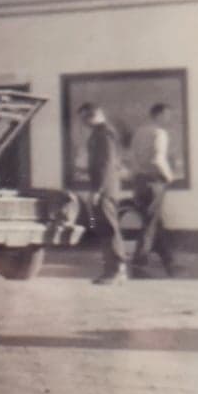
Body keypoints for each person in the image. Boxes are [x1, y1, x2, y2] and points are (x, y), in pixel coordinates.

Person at [129, 102, 179, 276]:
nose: (168, 119)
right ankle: (138, 263)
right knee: (150, 224)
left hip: (139, 181)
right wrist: (169, 176)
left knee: (154, 221)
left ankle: (169, 262)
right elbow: (158, 159)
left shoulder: (139, 132)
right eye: (167, 115)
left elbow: (132, 158)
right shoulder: (159, 133)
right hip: (154, 182)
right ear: (158, 115)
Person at [81, 103, 128, 285]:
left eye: (87, 116)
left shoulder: (105, 134)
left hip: (105, 189)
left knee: (109, 228)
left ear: (97, 114)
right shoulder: (99, 133)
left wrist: (98, 190)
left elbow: (107, 164)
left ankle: (117, 270)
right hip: (103, 188)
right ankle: (111, 270)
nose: (85, 122)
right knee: (104, 228)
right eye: (83, 118)